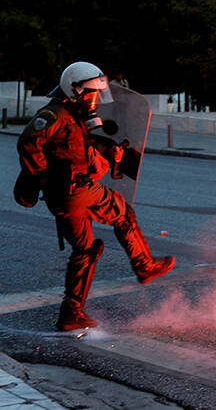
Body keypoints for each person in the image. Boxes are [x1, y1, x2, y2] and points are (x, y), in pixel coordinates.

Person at [15, 61, 175, 331]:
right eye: (92, 93)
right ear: (74, 89)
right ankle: (144, 265)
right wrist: (42, 175)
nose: (96, 99)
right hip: (75, 191)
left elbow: (76, 150)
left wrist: (107, 155)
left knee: (85, 249)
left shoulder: (73, 115)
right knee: (123, 212)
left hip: (63, 197)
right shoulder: (54, 114)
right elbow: (28, 142)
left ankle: (70, 314)